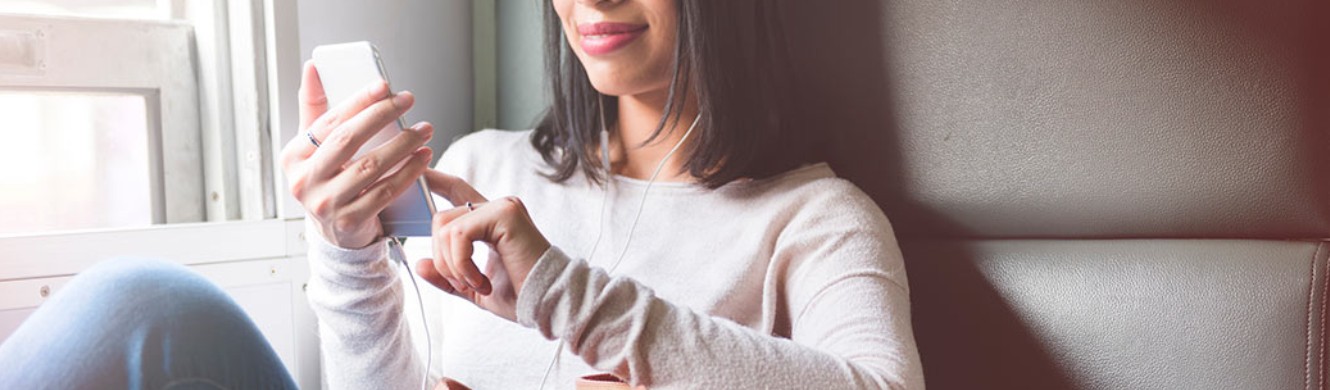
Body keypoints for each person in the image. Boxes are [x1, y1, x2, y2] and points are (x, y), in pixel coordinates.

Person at [0, 0, 923, 388]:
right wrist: (349, 251)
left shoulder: (817, 220)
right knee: (145, 304)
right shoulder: (486, 165)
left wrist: (573, 299)